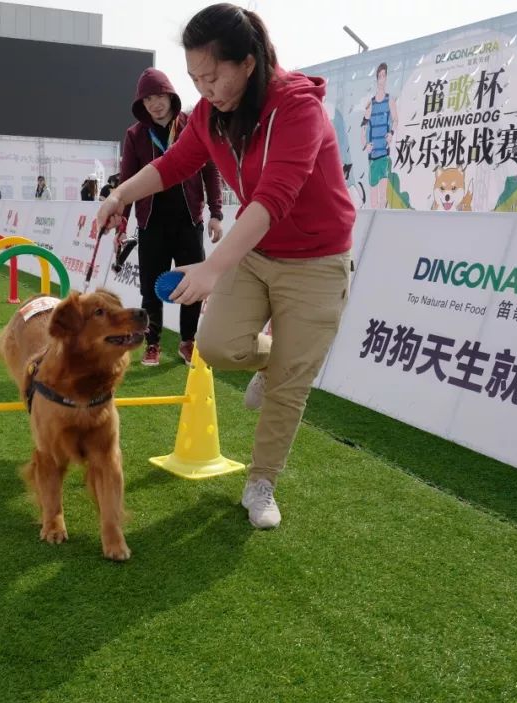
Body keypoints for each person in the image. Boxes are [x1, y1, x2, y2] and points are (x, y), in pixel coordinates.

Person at [97, 4, 355, 530]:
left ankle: (261, 482)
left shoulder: (298, 109)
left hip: (317, 260)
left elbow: (274, 198)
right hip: (256, 252)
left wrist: (212, 267)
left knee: (290, 385)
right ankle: (270, 360)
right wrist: (120, 194)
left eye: (212, 76)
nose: (204, 89)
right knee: (215, 347)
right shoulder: (210, 116)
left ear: (249, 63)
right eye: (195, 79)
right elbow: (173, 165)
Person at [118, 67, 223, 367]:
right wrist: (122, 223)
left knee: (193, 284)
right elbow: (126, 181)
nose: (155, 104)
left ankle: (188, 342)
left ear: (171, 95)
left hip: (189, 222)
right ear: (142, 104)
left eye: (160, 96)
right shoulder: (135, 135)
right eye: (148, 99)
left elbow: (210, 169)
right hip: (151, 225)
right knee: (151, 287)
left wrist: (216, 213)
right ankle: (152, 344)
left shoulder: (192, 125)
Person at [361, 62, 397, 209]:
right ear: (377, 79)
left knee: (383, 197)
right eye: (380, 76)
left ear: (386, 78)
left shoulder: (390, 100)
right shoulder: (371, 103)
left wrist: (391, 133)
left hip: (384, 154)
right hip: (373, 156)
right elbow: (363, 126)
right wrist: (365, 144)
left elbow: (396, 120)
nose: (382, 79)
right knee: (373, 198)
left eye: (384, 76)